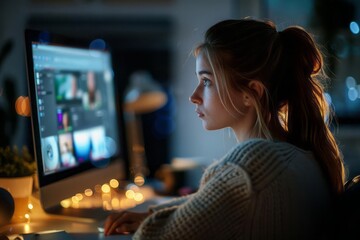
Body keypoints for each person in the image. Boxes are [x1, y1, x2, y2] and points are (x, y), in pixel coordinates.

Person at [104, 18, 346, 239]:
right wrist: (152, 212)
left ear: (251, 94)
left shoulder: (253, 163)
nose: (194, 96)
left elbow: (156, 237)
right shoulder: (298, 154)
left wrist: (150, 221)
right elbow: (211, 202)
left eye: (206, 81)